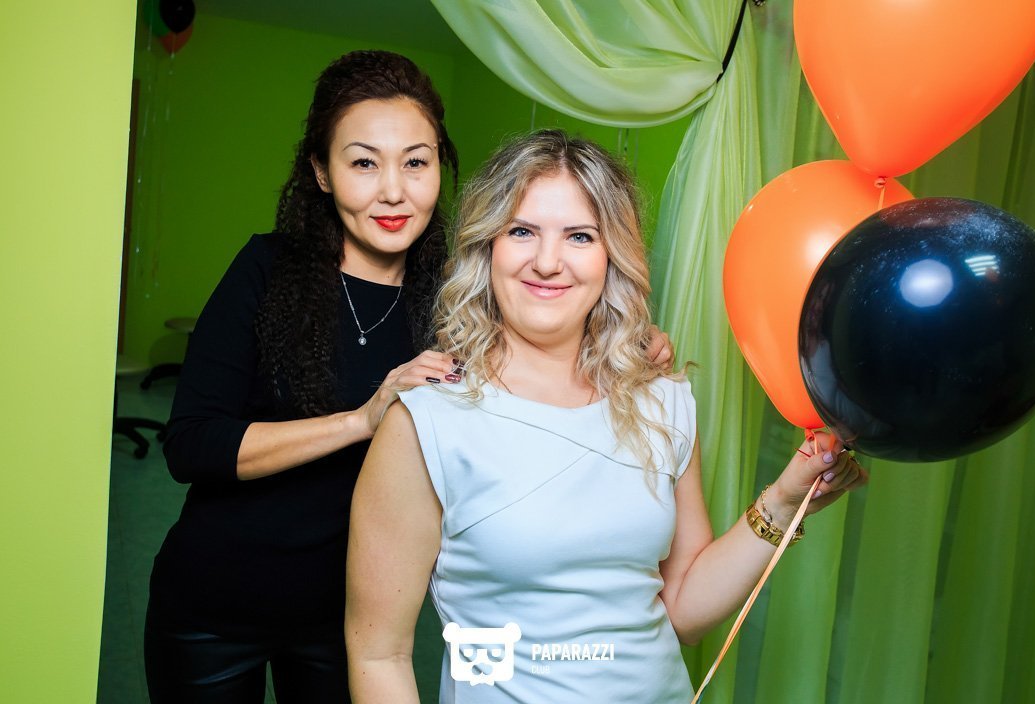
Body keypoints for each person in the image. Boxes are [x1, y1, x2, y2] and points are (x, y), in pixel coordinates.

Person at [345, 130, 868, 703]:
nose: (548, 262)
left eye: (579, 236)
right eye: (521, 231)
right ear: (487, 246)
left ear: (611, 256)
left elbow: (683, 611)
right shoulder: (426, 422)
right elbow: (378, 655)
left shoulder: (663, 401)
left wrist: (784, 502)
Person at [143, 50, 464, 703]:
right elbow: (192, 444)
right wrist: (361, 420)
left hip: (352, 623)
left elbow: (544, 357)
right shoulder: (266, 270)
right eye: (364, 163)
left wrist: (633, 349)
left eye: (416, 162)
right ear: (321, 172)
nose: (394, 190)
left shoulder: (457, 298)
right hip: (212, 612)